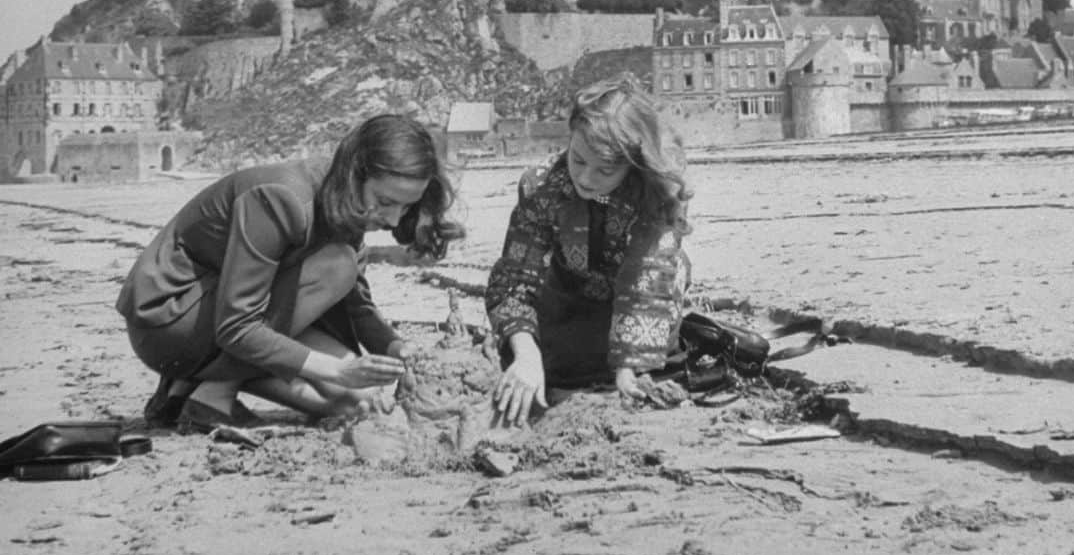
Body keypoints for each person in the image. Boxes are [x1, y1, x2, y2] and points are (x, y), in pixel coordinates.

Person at [117, 114, 463, 432]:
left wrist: (399, 350)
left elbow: (357, 309)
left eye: (406, 208)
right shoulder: (281, 197)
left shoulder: (349, 200)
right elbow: (237, 326)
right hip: (170, 321)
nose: (391, 220)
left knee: (357, 402)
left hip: (227, 320)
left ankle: (192, 387)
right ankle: (214, 394)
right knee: (338, 268)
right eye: (386, 202)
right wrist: (337, 369)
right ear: (355, 171)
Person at [485, 75, 691, 426]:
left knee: (645, 375)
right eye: (578, 160)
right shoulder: (540, 188)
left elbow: (647, 281)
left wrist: (629, 370)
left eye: (605, 170)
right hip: (568, 295)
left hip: (639, 297)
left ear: (633, 165)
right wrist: (525, 352)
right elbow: (516, 277)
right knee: (540, 362)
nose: (585, 178)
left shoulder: (658, 194)